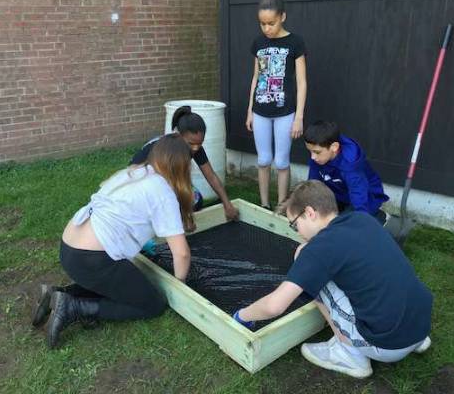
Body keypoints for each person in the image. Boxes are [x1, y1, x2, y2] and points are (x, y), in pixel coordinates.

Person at [233, 180, 433, 378]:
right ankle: (415, 340)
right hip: (421, 322)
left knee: (310, 270)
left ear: (309, 213)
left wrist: (242, 316)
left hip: (389, 344)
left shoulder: (319, 250)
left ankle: (348, 353)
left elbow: (274, 306)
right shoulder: (361, 219)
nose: (298, 233)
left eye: (295, 225)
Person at [32, 134, 194, 348]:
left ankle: (58, 294)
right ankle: (74, 308)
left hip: (70, 247)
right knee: (152, 304)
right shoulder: (162, 191)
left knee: (120, 285)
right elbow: (181, 253)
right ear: (181, 166)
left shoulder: (134, 172)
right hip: (92, 259)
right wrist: (179, 287)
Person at [246, 0, 307, 210]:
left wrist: (299, 116)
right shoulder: (258, 43)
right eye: (262, 24)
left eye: (271, 23)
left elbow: (302, 82)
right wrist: (250, 110)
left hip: (285, 112)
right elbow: (255, 78)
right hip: (260, 111)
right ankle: (263, 204)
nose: (266, 29)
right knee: (263, 160)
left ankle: (281, 206)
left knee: (281, 161)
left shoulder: (295, 42)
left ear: (283, 17)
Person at [130, 105, 239, 220]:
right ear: (178, 135)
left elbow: (211, 176)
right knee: (169, 207)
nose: (196, 148)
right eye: (191, 143)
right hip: (140, 184)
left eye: (200, 143)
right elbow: (169, 184)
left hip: (166, 182)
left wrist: (227, 204)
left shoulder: (195, 148)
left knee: (196, 200)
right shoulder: (167, 150)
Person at [304, 120, 389, 224]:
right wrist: (309, 204)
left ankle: (376, 217)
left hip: (366, 197)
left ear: (334, 147)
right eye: (310, 151)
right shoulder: (319, 153)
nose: (312, 157)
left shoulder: (350, 162)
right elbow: (313, 183)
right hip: (339, 194)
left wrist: (360, 219)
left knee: (343, 226)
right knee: (317, 218)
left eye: (316, 152)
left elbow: (358, 193)